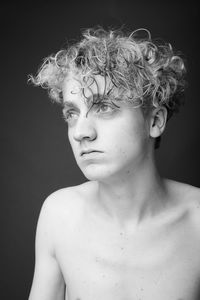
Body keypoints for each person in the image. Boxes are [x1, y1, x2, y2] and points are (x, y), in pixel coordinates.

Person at [28, 26, 200, 300]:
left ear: (154, 121)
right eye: (72, 113)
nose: (80, 132)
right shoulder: (59, 216)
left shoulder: (197, 223)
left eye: (104, 107)